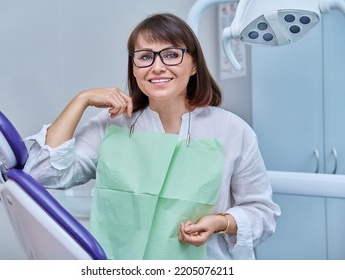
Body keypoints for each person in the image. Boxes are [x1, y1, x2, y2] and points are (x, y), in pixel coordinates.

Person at [24, 12, 280, 260]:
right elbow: (41, 173)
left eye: (171, 55)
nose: (157, 67)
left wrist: (221, 222)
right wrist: (80, 101)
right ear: (134, 68)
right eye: (145, 57)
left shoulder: (232, 130)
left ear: (193, 65)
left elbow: (262, 214)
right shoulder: (112, 125)